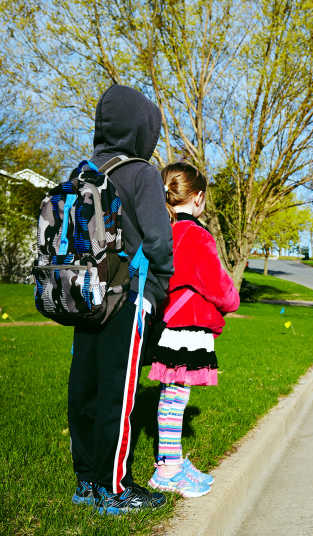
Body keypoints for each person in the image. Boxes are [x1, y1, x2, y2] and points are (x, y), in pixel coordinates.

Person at [69, 85, 174, 514]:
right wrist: (158, 291)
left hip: (84, 296)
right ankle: (116, 490)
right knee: (120, 392)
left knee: (85, 387)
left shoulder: (85, 170)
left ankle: (87, 482)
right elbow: (160, 242)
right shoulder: (141, 173)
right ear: (141, 128)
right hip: (127, 298)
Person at [146, 162, 239, 497]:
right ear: (198, 198)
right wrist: (232, 300)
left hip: (169, 321)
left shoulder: (163, 231)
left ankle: (172, 460)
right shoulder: (197, 235)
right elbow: (216, 284)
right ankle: (168, 470)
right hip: (187, 326)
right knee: (175, 397)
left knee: (173, 394)